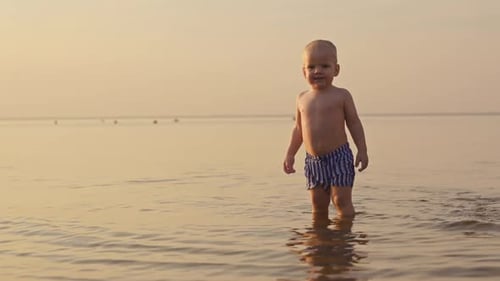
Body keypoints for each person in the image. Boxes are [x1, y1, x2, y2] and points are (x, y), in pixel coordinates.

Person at [283, 39, 368, 218]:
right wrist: (290, 154)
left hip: (339, 157)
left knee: (340, 201)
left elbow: (354, 123)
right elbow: (299, 129)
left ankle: (344, 239)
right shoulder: (302, 98)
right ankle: (319, 241)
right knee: (318, 205)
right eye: (311, 67)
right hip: (313, 161)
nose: (318, 71)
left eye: (324, 66)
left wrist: (362, 150)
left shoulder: (341, 96)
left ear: (336, 70)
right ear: (303, 71)